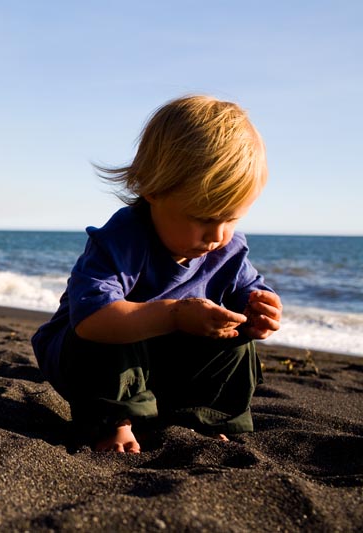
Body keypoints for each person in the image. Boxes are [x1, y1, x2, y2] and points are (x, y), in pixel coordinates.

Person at [31, 95, 282, 454]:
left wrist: (260, 309)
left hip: (160, 367)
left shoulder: (228, 248)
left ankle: (201, 419)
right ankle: (112, 423)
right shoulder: (123, 239)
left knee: (237, 342)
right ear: (152, 189)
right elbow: (90, 321)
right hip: (87, 359)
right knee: (113, 331)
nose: (217, 236)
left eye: (232, 218)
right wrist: (175, 315)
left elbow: (246, 288)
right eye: (203, 217)